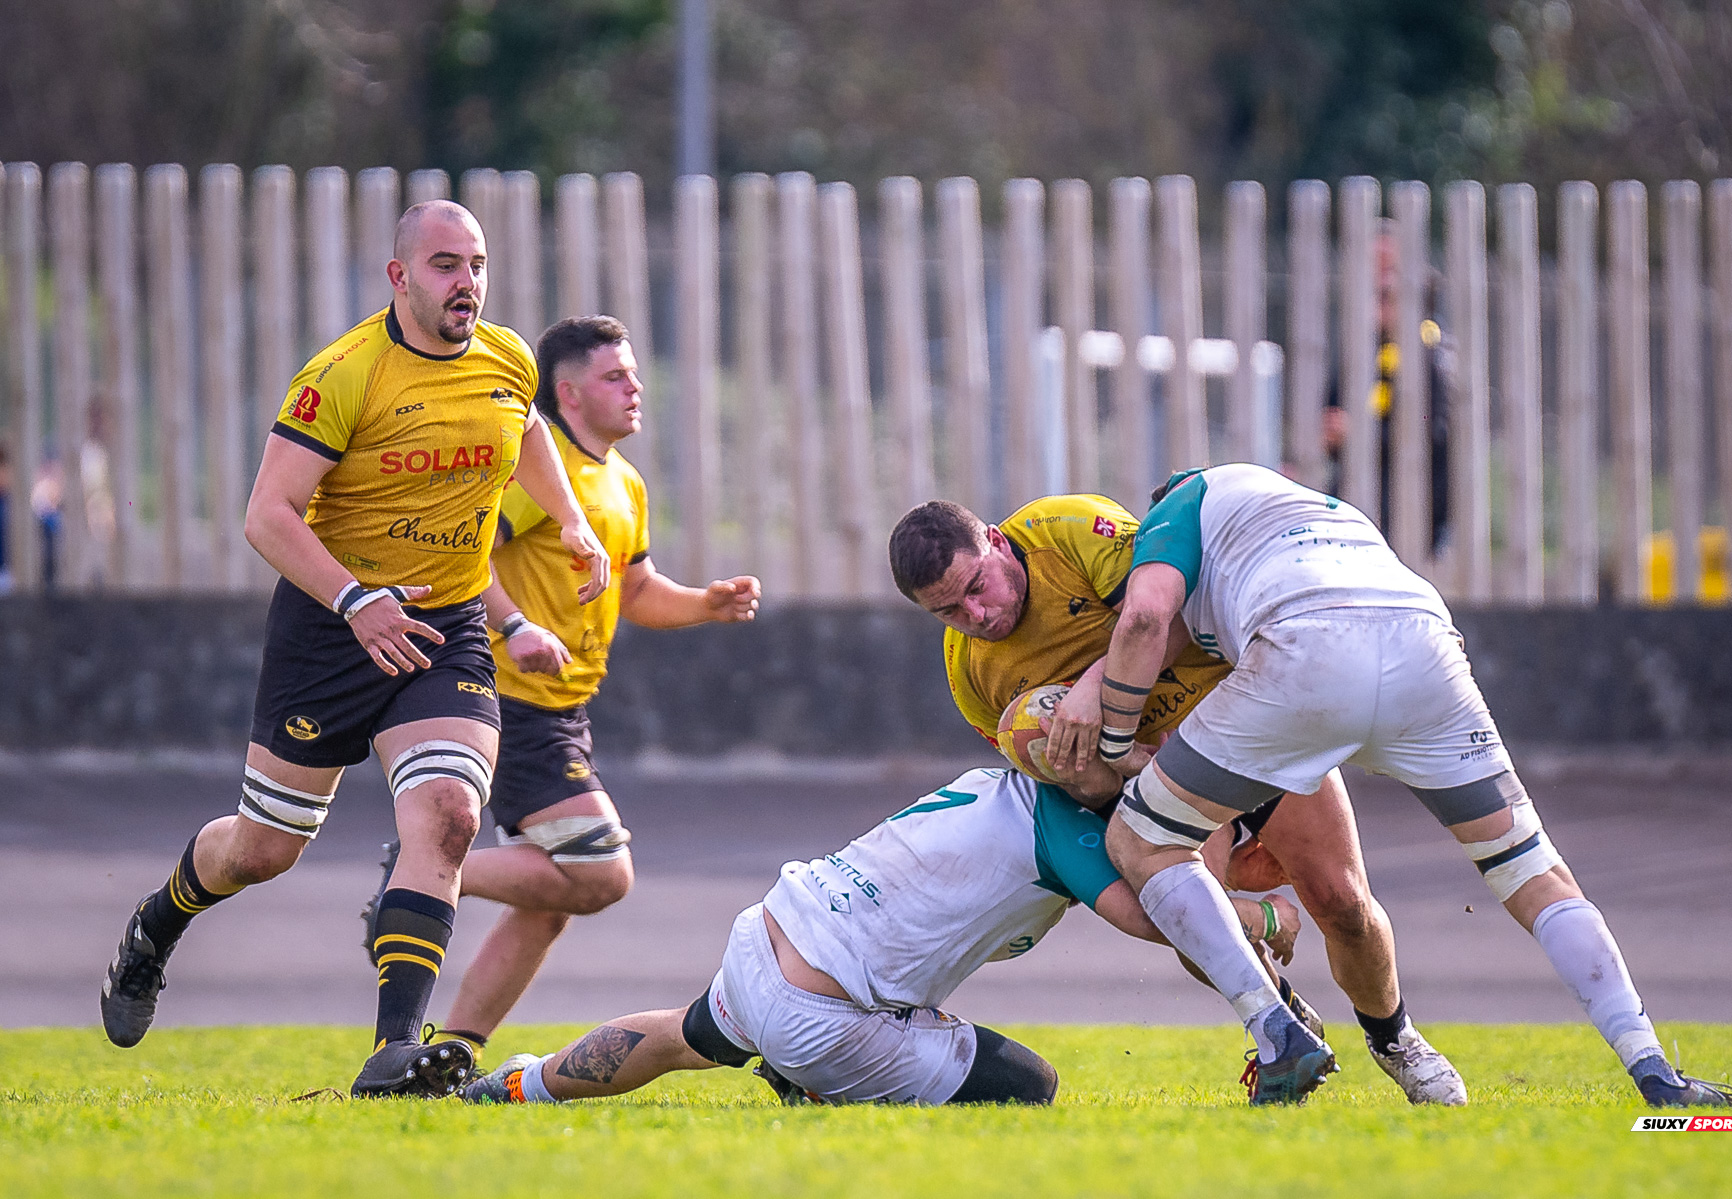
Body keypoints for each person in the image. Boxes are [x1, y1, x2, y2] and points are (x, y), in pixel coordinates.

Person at [99, 200, 608, 1098]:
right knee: (262, 849)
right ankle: (157, 923)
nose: (468, 283)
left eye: (478, 264)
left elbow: (524, 427)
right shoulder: (344, 374)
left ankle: (393, 1051)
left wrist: (570, 519)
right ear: (399, 276)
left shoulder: (508, 357)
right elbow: (267, 514)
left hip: (446, 626)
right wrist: (354, 599)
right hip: (329, 633)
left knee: (448, 815)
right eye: (447, 265)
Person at [1049, 462, 1732, 1109]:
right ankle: (1655, 1070)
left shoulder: (1180, 504)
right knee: (1534, 871)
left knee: (1140, 838)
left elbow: (1146, 618)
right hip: (1426, 647)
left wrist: (1114, 746)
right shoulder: (1314, 509)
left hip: (1307, 650)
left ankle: (1279, 1029)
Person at [887, 493, 1465, 1104]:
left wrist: (1093, 690)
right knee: (1189, 920)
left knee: (1341, 901)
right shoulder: (970, 675)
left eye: (977, 586)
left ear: (999, 543)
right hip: (1158, 779)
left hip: (1240, 722)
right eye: (948, 611)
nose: (975, 613)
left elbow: (1182, 608)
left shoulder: (1072, 530)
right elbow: (1059, 782)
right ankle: (1285, 1022)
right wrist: (1109, 764)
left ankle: (1395, 1038)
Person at [362, 315, 762, 1060]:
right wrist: (514, 626)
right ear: (569, 393)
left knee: (550, 903)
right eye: (617, 377)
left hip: (563, 710)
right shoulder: (532, 474)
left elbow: (637, 591)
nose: (636, 387)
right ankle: (418, 872)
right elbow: (463, 559)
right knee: (601, 872)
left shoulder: (624, 482)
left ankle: (455, 1049)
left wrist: (706, 602)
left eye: (635, 373)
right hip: (509, 701)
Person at [457, 767, 1311, 1108]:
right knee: (1029, 1086)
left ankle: (512, 1086)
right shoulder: (1068, 828)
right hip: (819, 1013)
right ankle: (809, 1081)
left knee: (688, 1034)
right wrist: (1268, 919)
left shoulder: (989, 779)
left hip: (770, 931)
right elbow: (1152, 910)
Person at [1322, 223, 1451, 551]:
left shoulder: (1428, 352)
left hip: (1408, 510)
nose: (1379, 282)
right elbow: (1329, 417)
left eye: (1388, 275)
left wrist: (1360, 435)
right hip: (1356, 505)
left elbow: (1431, 434)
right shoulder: (1360, 353)